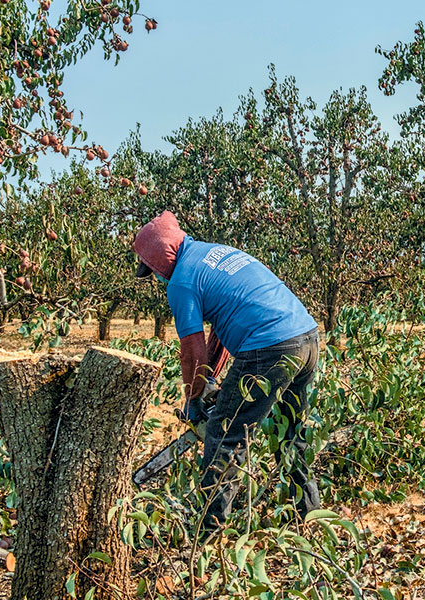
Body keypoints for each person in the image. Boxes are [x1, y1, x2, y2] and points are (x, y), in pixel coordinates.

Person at [133, 210, 321, 530]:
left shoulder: (181, 282)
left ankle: (210, 527)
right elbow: (218, 333)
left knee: (225, 433)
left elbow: (192, 351)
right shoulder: (215, 253)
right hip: (306, 338)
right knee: (290, 429)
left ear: (160, 258)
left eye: (153, 270)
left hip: (269, 347)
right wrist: (209, 381)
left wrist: (193, 398)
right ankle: (306, 513)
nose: (156, 277)